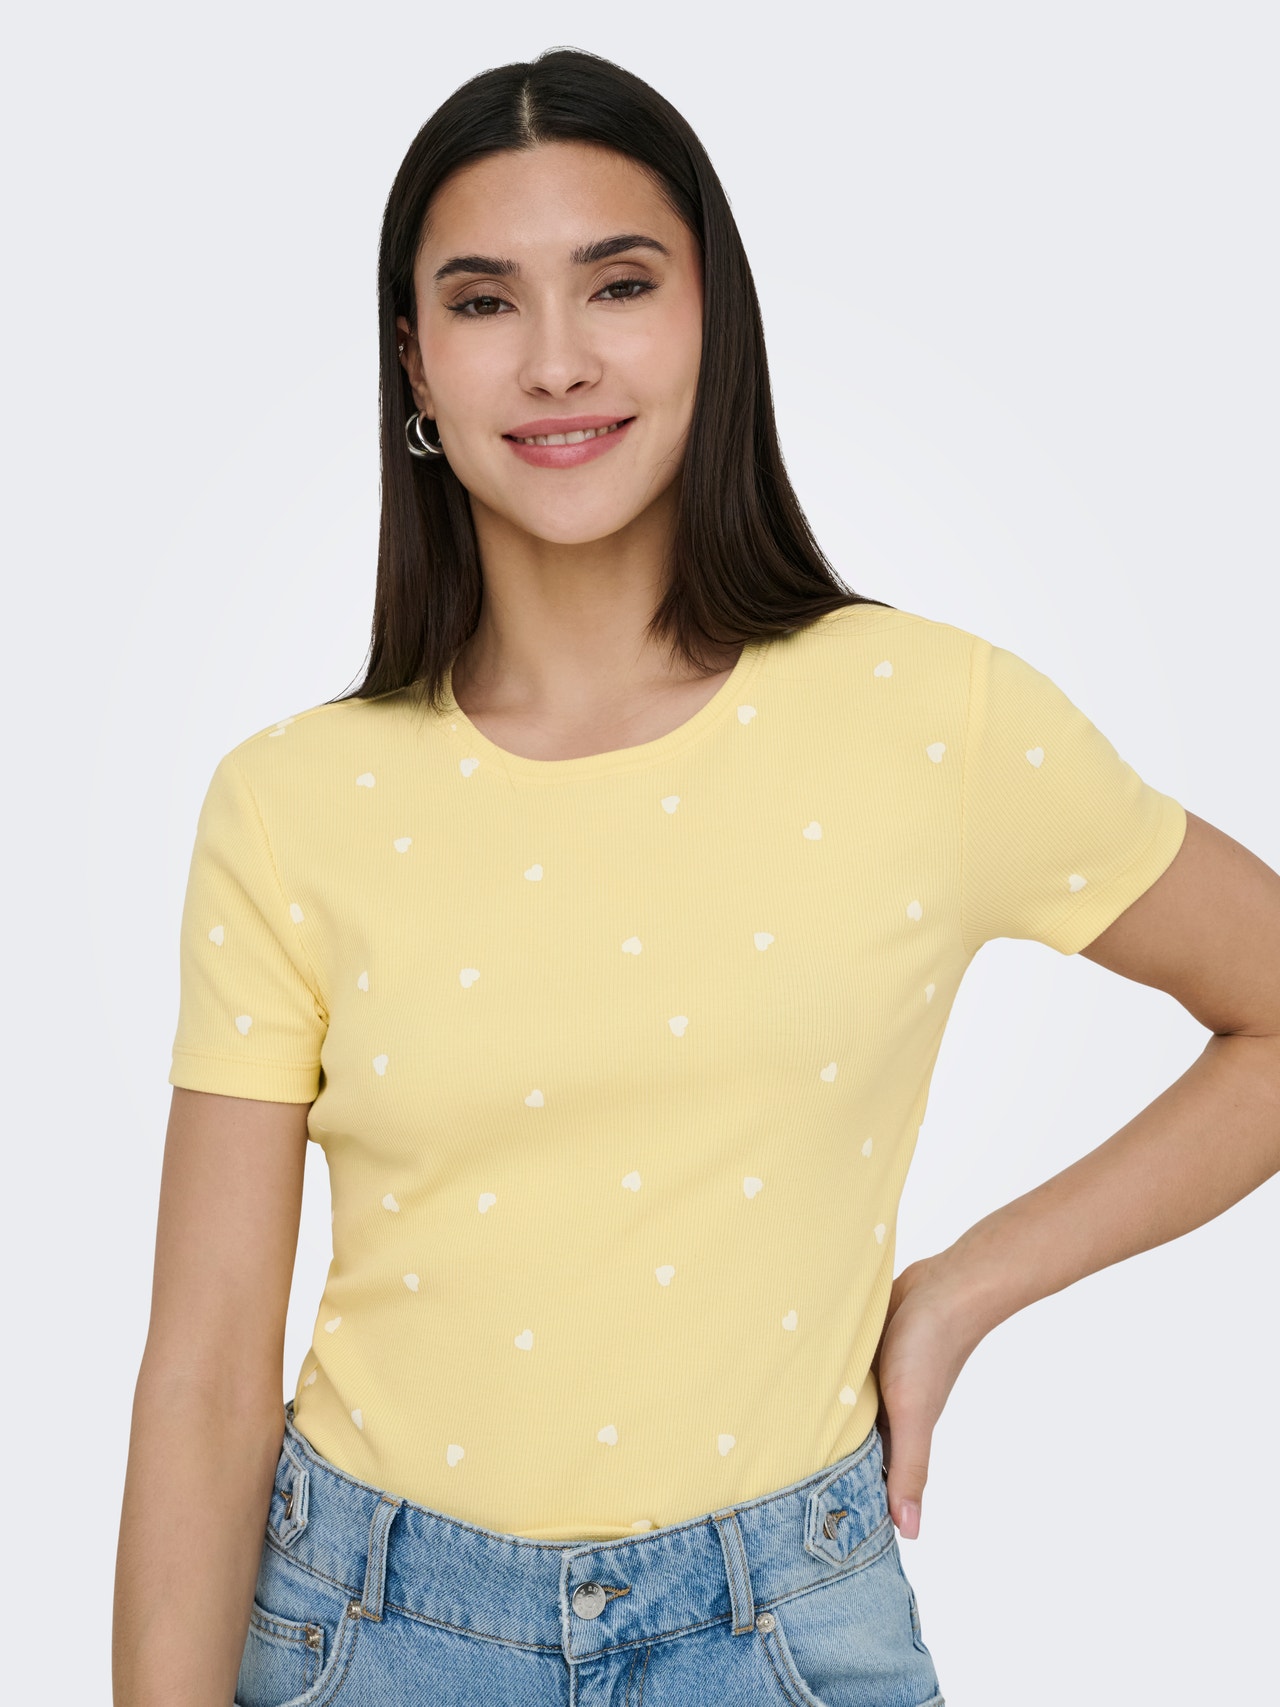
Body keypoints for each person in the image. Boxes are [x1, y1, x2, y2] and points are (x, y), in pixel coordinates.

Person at [113, 46, 1280, 1707]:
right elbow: (207, 1374)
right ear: (415, 363)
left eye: (620, 283)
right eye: (484, 301)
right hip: (365, 1639)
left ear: (713, 316)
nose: (558, 358)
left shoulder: (929, 720)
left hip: (787, 1634)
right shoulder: (294, 803)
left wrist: (961, 1291)